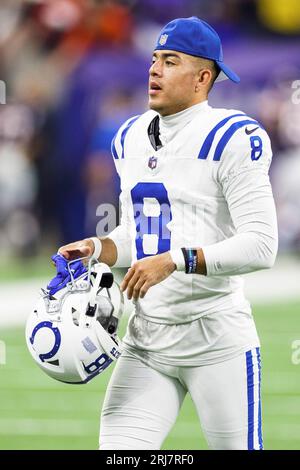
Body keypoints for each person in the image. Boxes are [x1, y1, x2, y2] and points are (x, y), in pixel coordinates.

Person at [58, 17, 278, 450]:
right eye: (155, 59)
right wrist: (97, 248)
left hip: (216, 339)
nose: (154, 70)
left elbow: (261, 244)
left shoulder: (232, 136)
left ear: (202, 77)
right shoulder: (129, 136)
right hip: (146, 340)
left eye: (170, 61)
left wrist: (176, 260)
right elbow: (139, 235)